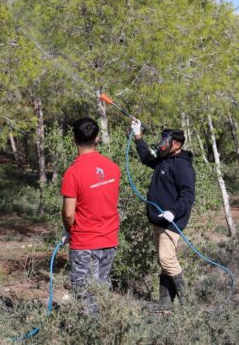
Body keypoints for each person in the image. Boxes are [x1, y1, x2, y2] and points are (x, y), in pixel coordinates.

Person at [130, 119, 195, 311]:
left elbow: (188, 195)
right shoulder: (163, 159)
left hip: (170, 222)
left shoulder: (183, 166)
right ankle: (165, 304)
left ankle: (188, 303)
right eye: (162, 140)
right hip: (158, 220)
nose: (162, 143)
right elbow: (145, 157)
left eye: (165, 141)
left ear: (176, 144)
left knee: (167, 259)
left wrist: (173, 212)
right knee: (164, 260)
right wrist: (138, 135)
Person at [60, 117, 121, 316]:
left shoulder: (73, 173)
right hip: (109, 240)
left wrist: (69, 230)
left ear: (73, 139)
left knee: (84, 293)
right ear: (96, 138)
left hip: (84, 241)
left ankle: (92, 333)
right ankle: (105, 329)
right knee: (101, 289)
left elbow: (69, 213)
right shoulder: (112, 167)